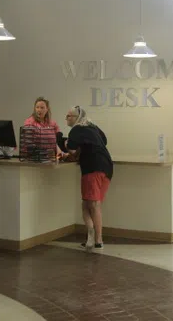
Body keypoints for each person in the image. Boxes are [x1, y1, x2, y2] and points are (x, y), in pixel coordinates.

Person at [64, 106, 113, 251]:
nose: (67, 119)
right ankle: (94, 239)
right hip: (107, 168)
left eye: (69, 116)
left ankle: (95, 238)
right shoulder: (93, 126)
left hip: (92, 168)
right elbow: (104, 141)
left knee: (90, 205)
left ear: (76, 118)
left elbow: (71, 149)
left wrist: (66, 145)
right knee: (93, 204)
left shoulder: (76, 130)